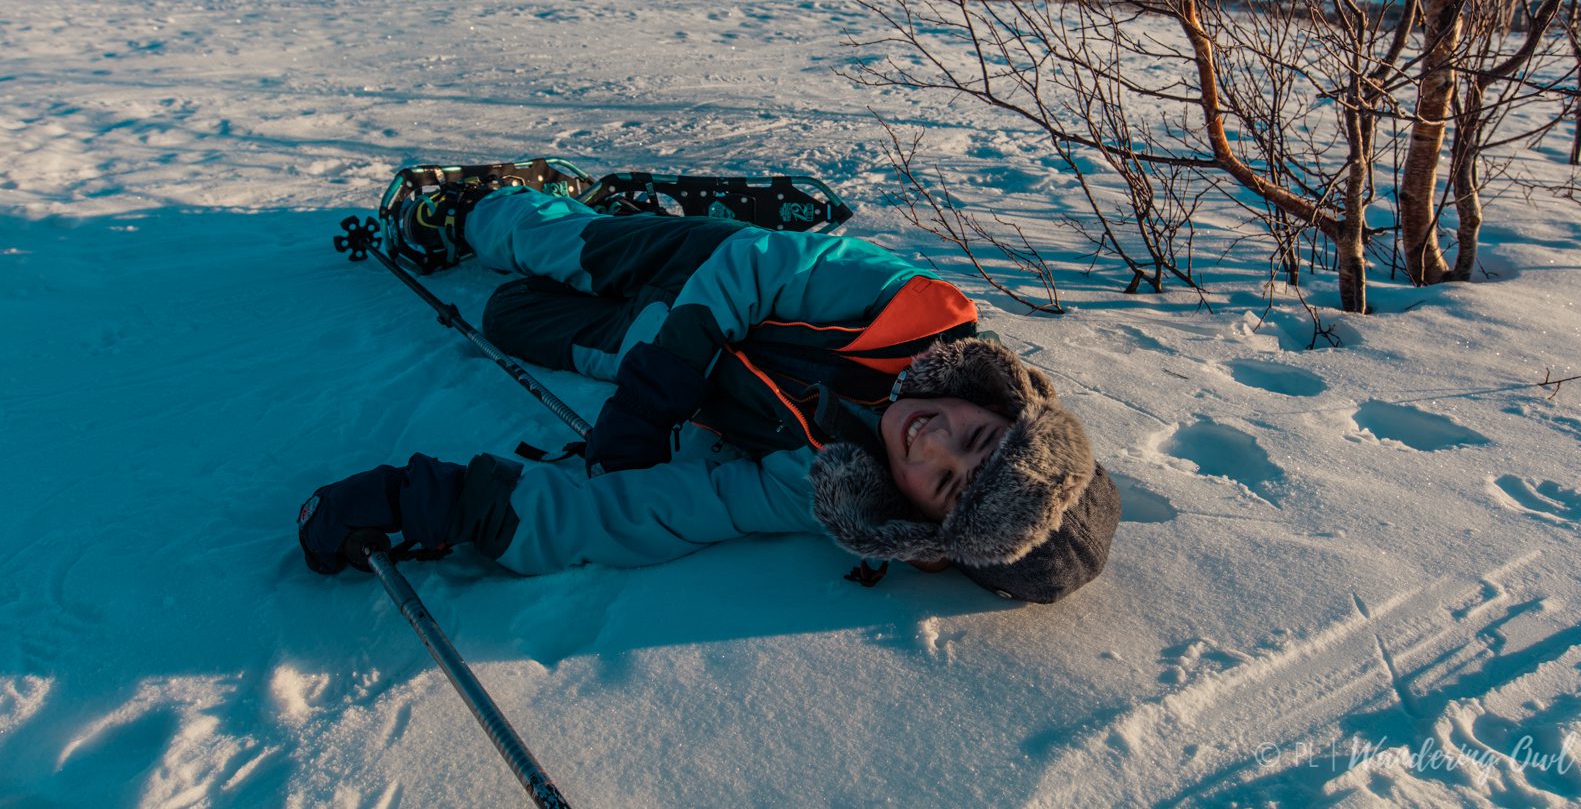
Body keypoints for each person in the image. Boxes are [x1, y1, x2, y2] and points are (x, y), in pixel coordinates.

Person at [298, 182, 1120, 603]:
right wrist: (655, 392)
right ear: (1002, 406)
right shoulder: (920, 315)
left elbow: (658, 512)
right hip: (700, 266)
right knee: (544, 243)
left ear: (922, 523)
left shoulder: (824, 486)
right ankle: (478, 207)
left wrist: (451, 505)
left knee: (509, 316)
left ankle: (556, 243)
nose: (931, 440)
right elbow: (763, 265)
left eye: (943, 482)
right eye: (976, 438)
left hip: (642, 345)